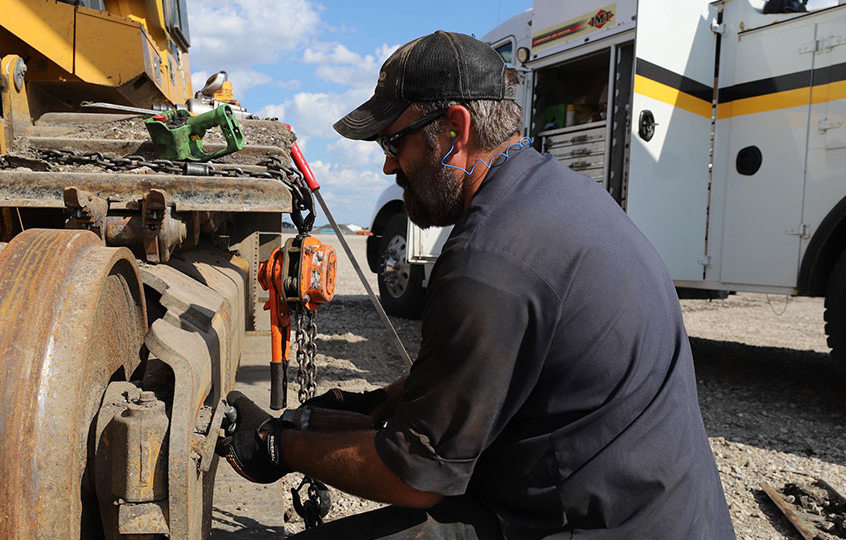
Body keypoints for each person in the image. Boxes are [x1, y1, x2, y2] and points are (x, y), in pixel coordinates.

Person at [217, 30, 736, 539]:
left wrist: (279, 445)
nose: (388, 163)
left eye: (394, 141)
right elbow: (494, 373)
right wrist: (377, 405)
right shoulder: (562, 196)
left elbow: (414, 476)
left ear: (455, 130)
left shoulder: (487, 262)